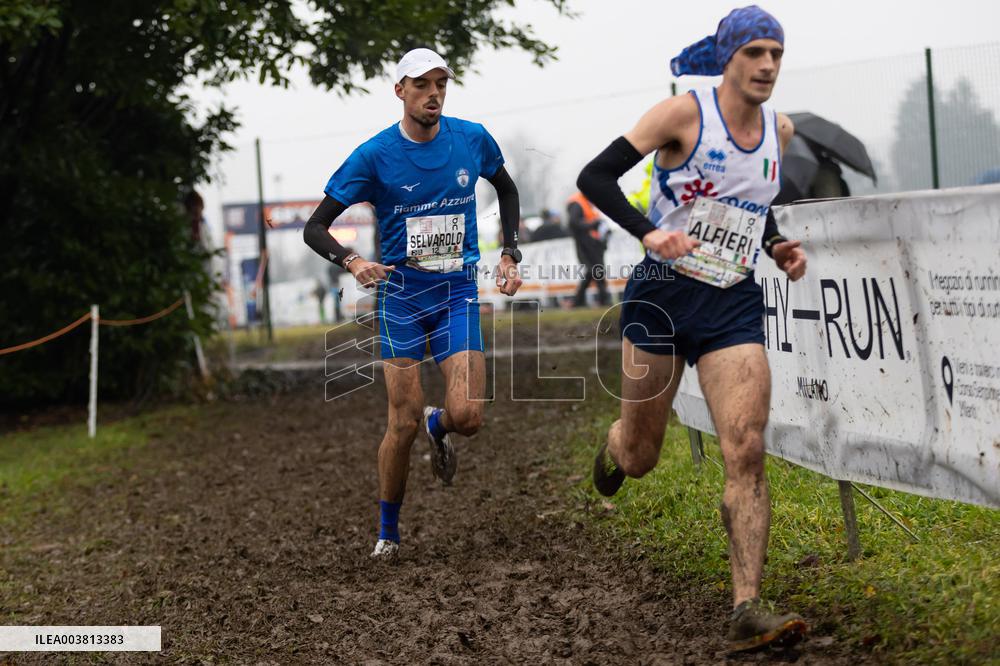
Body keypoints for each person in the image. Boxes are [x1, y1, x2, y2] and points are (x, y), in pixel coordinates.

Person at [577, 6, 809, 653]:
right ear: (729, 57)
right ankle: (617, 444)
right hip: (662, 297)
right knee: (642, 456)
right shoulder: (682, 113)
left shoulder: (779, 131)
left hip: (732, 302)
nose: (767, 66)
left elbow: (750, 207)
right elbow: (594, 176)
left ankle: (746, 607)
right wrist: (650, 231)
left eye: (776, 54)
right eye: (755, 53)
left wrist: (779, 244)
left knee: (747, 445)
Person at [303, 48, 523, 561]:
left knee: (467, 416)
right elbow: (316, 227)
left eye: (440, 84)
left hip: (456, 294)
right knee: (399, 422)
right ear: (399, 90)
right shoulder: (375, 155)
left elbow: (507, 188)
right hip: (401, 299)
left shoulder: (471, 138)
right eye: (421, 85)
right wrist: (353, 261)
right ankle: (388, 532)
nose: (433, 94)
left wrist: (510, 252)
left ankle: (438, 424)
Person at [567, 191, 610, 307]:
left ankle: (578, 301)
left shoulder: (588, 202)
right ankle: (604, 299)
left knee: (594, 271)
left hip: (594, 242)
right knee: (595, 270)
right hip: (584, 243)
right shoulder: (577, 202)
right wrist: (593, 224)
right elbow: (573, 223)